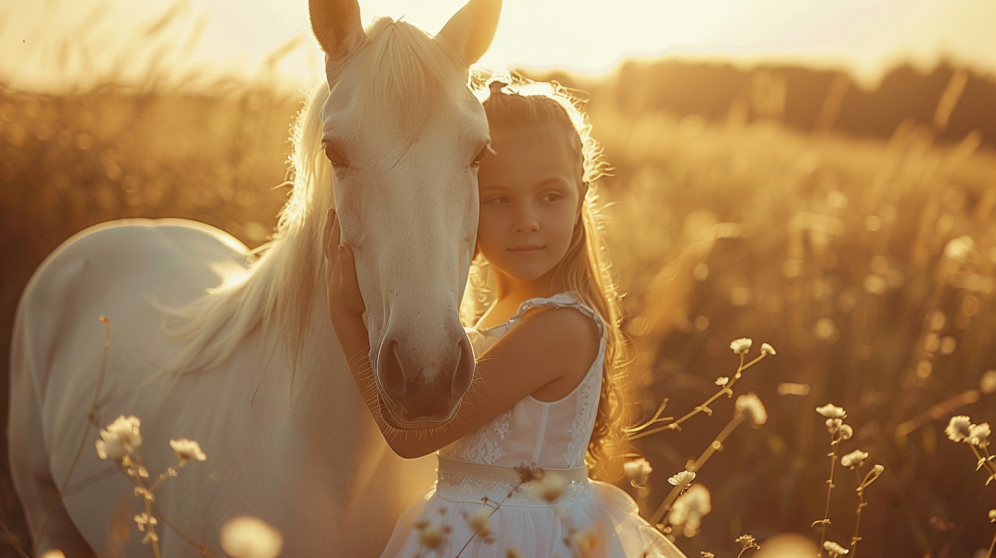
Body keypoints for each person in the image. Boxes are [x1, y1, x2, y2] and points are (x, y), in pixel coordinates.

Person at [324, 78, 686, 558]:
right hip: (466, 526)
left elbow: (410, 438)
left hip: (515, 538)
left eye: (550, 196)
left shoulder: (559, 327)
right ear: (465, 203)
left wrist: (347, 317)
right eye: (500, 199)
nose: (527, 219)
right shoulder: (500, 312)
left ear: (581, 196)